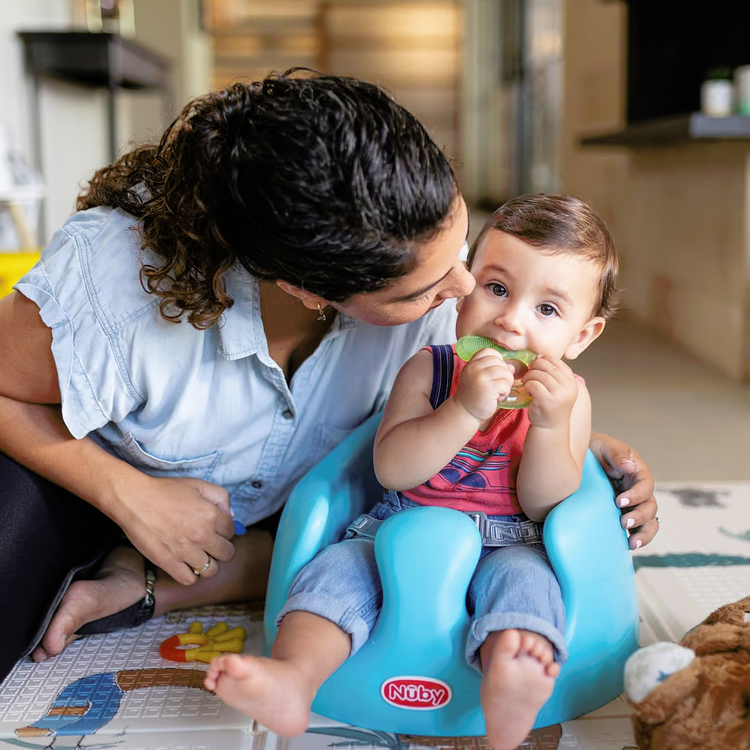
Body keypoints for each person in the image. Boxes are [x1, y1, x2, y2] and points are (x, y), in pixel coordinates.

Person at [0, 69, 658, 686]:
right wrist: (125, 495)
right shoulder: (110, 287)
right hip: (89, 472)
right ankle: (130, 557)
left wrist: (587, 445)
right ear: (307, 289)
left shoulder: (425, 261)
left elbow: (480, 404)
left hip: (279, 500)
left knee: (372, 536)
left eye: (462, 252)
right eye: (426, 290)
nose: (464, 293)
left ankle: (163, 583)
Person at [204, 194, 624, 749]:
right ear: (465, 288)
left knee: (527, 589)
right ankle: (294, 677)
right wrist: (463, 410)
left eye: (548, 310)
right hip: (394, 529)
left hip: (513, 540)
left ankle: (510, 683)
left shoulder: (567, 399)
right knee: (334, 579)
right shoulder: (429, 368)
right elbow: (393, 468)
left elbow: (546, 504)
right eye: (497, 288)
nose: (511, 321)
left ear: (582, 336)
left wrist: (548, 427)